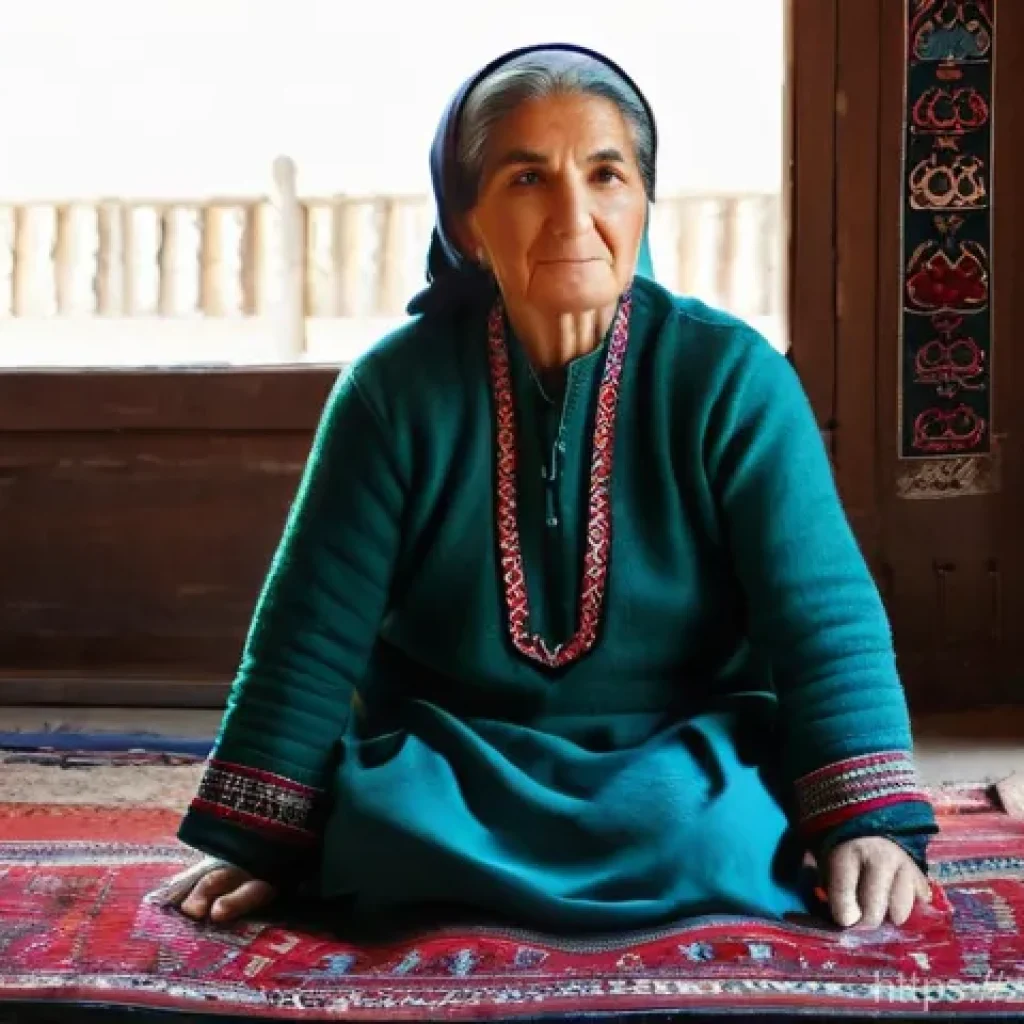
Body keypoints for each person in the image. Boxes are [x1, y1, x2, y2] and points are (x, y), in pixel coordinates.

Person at [172, 43, 939, 935]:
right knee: (383, 833)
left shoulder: (731, 377)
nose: (575, 214)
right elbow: (310, 629)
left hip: (681, 747)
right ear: (467, 222)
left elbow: (822, 612)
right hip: (455, 753)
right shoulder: (392, 392)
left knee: (717, 837)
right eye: (529, 179)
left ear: (643, 203)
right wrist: (258, 839)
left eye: (606, 175)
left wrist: (867, 823)